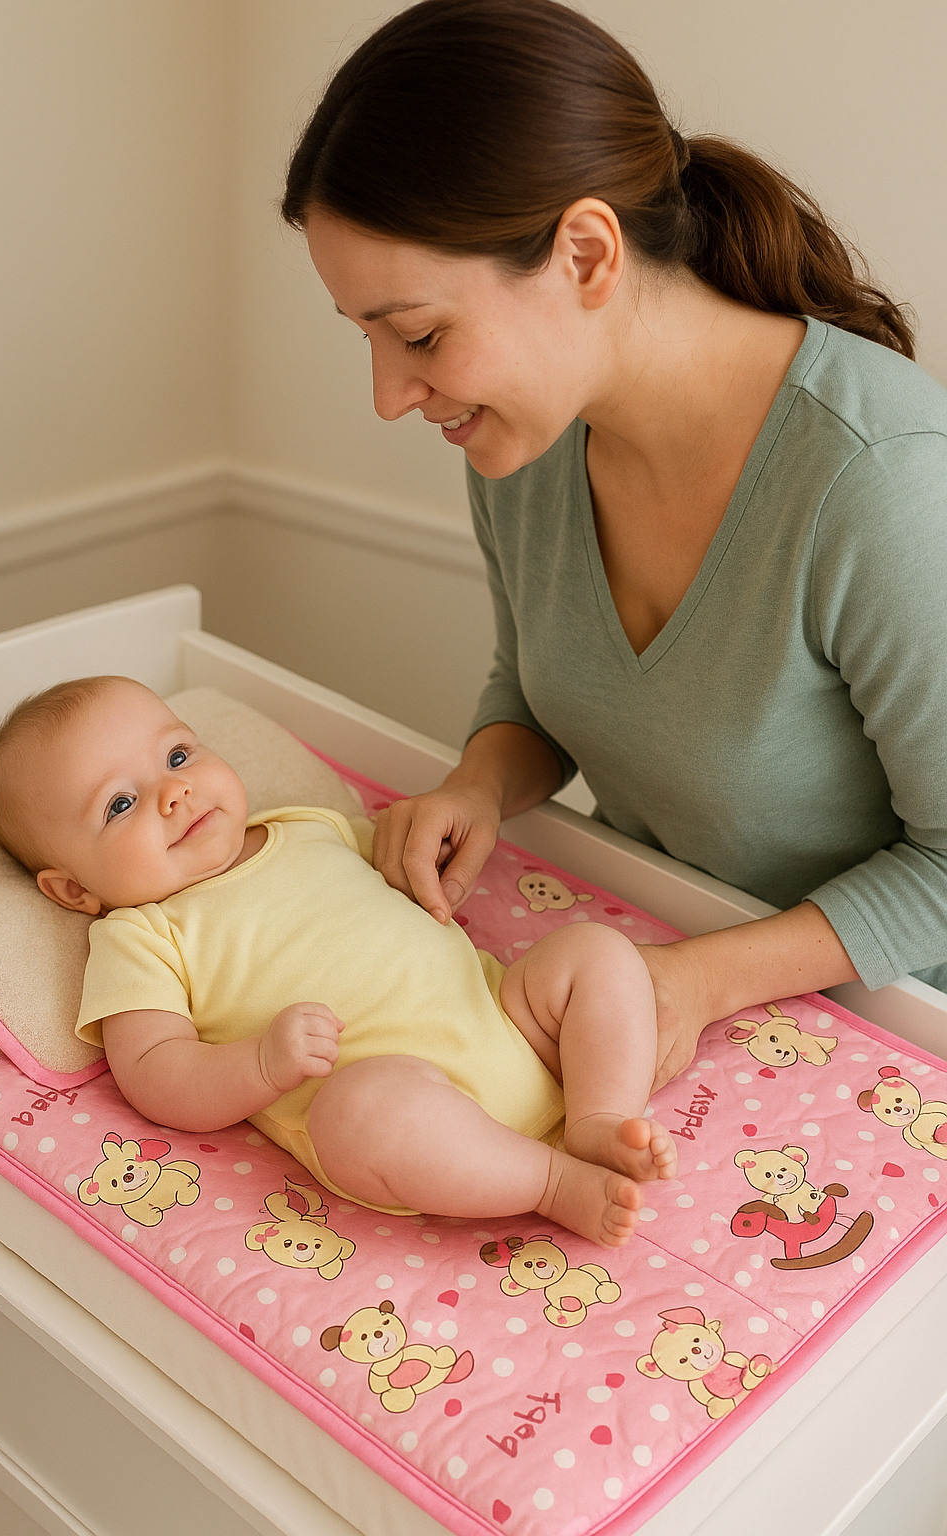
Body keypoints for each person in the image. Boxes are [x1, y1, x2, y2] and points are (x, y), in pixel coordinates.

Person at [281, 0, 947, 1089]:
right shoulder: (525, 443)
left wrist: (697, 979)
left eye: (418, 335)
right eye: (369, 338)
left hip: (899, 1040)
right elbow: (538, 687)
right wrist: (476, 785)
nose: (390, 395)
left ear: (586, 253)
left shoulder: (881, 481)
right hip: (676, 976)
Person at [0, 674, 677, 1247]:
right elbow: (155, 1073)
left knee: (596, 951)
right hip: (410, 1105)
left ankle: (598, 1119)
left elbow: (401, 870)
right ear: (73, 890)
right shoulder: (140, 935)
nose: (174, 792)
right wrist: (260, 1064)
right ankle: (553, 1182)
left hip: (511, 1020)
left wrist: (427, 851)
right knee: (359, 1115)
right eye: (122, 803)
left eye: (179, 757)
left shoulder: (307, 825)